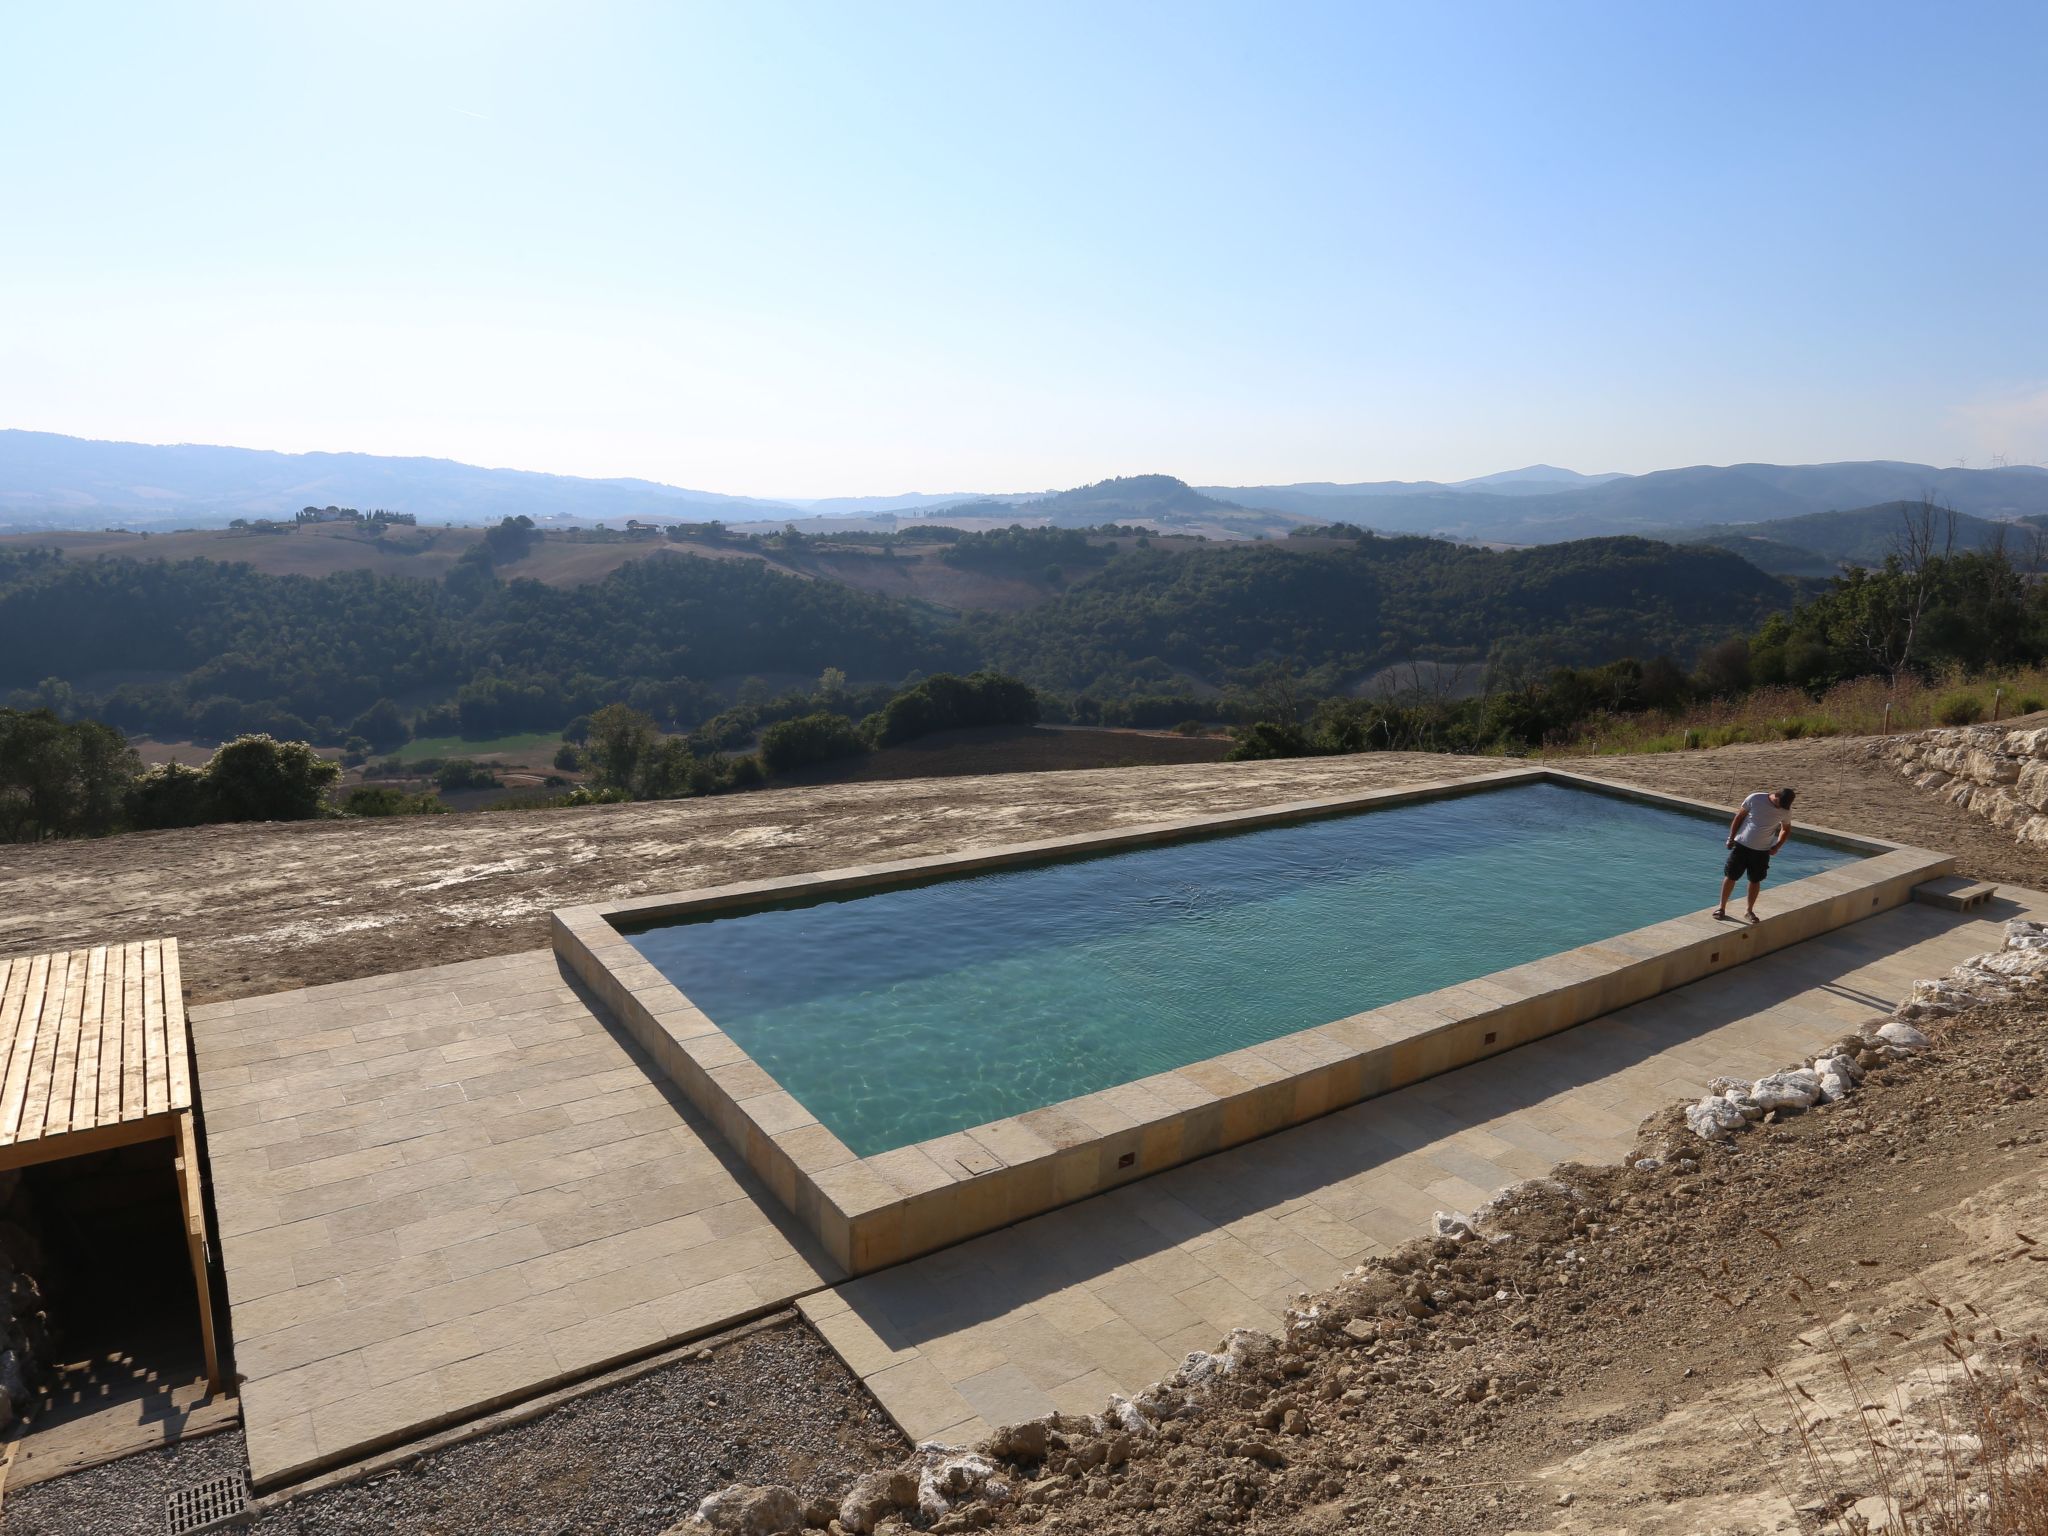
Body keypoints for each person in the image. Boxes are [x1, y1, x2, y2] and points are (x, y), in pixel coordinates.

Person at [1713, 786, 1796, 923]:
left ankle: (1749, 910)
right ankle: (1721, 907)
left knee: (1755, 880)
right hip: (1742, 845)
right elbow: (1739, 817)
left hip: (1762, 851)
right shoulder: (1756, 798)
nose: (1779, 808)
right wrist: (1731, 838)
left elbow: (1786, 829)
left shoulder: (1785, 810)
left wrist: (1777, 846)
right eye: (1779, 804)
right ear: (1776, 796)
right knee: (1731, 876)